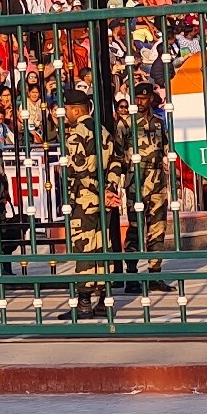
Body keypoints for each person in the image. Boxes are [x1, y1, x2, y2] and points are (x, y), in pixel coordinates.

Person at [60, 87, 124, 319]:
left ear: (77, 110)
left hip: (84, 198)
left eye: (67, 109)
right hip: (103, 198)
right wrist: (110, 189)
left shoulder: (76, 133)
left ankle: (84, 302)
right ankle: (104, 300)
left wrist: (91, 190)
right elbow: (116, 162)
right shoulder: (103, 130)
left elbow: (78, 169)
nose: (65, 114)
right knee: (102, 245)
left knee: (84, 247)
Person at [119, 81, 173, 292]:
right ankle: (132, 276)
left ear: (151, 98)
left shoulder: (159, 122)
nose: (140, 101)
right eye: (137, 98)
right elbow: (118, 152)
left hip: (157, 178)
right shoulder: (126, 123)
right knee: (135, 228)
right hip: (136, 179)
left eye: (144, 98)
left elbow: (166, 147)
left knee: (158, 228)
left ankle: (154, 274)